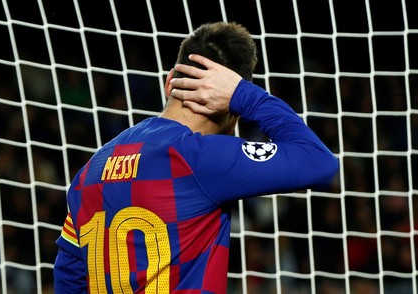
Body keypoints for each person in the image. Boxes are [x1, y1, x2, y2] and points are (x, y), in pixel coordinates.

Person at [52, 21, 339, 293]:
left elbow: (68, 274)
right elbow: (319, 161)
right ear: (230, 107)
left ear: (169, 83)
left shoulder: (91, 169)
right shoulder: (200, 159)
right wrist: (246, 96)